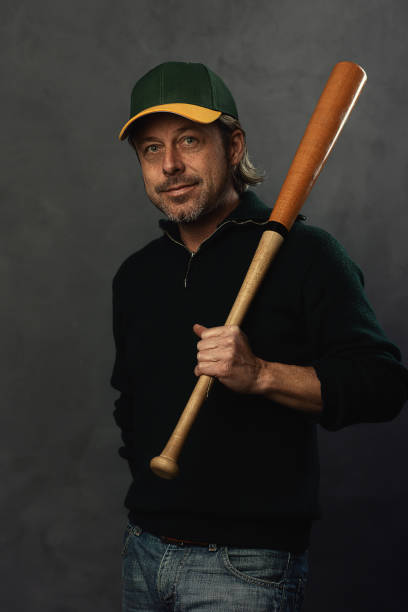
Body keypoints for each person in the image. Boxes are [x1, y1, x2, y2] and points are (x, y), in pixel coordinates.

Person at [111, 61, 408, 611]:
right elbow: (130, 402)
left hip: (245, 566)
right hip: (143, 552)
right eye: (151, 149)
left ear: (233, 145)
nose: (171, 165)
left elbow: (383, 385)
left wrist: (261, 374)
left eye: (190, 140)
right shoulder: (136, 275)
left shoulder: (307, 254)